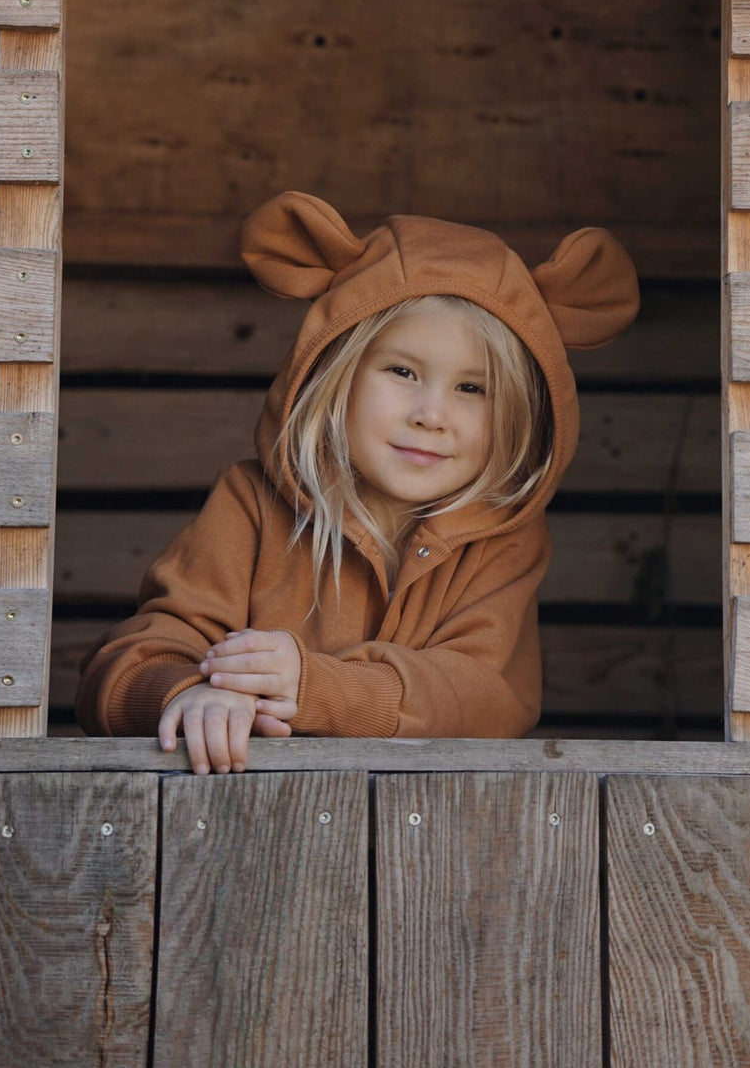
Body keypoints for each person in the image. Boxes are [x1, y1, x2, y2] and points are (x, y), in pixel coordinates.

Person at [76, 190, 638, 772]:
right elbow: (122, 666)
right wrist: (185, 694)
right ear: (334, 375)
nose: (431, 414)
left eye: (473, 388)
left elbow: (487, 698)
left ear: (521, 416)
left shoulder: (505, 539)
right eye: (402, 370)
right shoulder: (251, 505)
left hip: (426, 836)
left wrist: (315, 688)